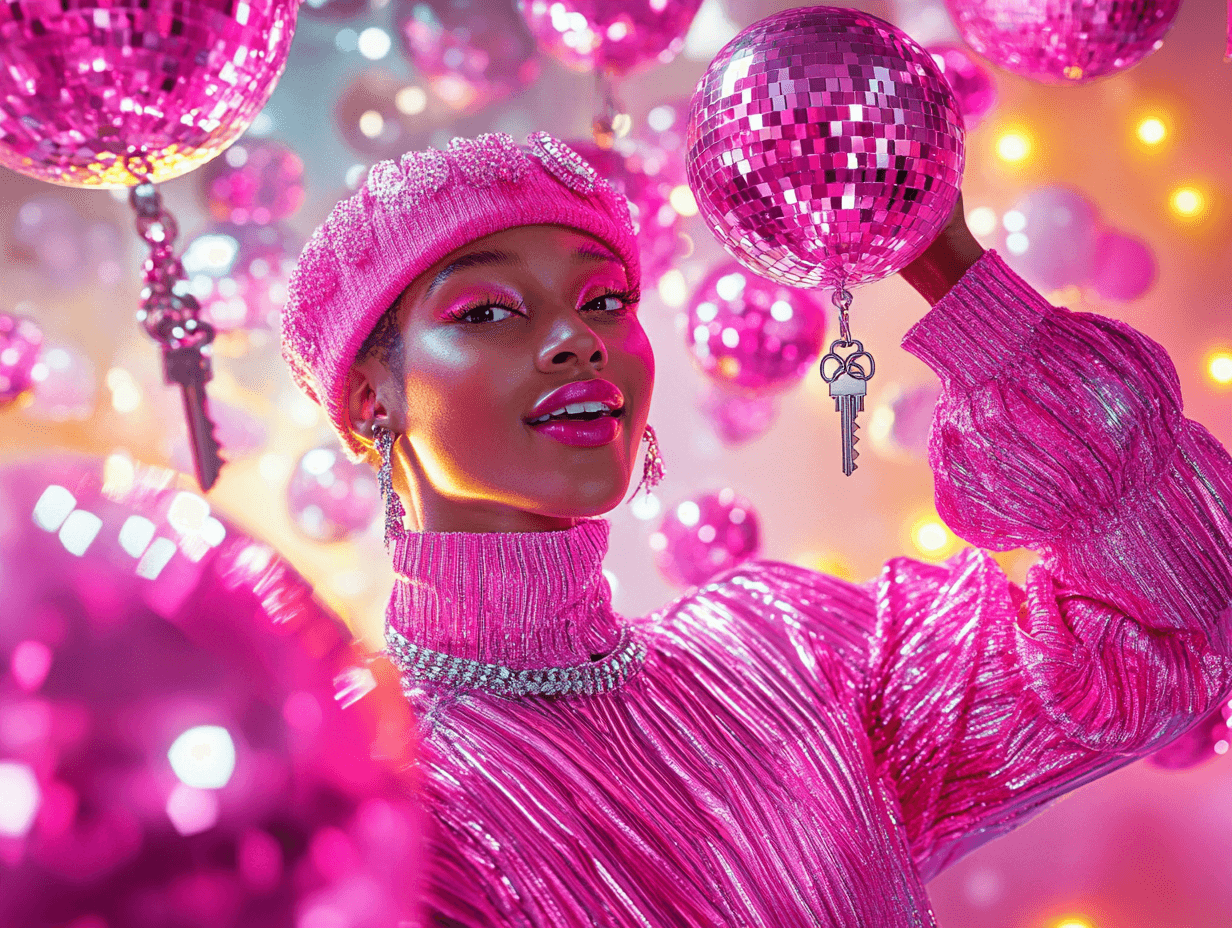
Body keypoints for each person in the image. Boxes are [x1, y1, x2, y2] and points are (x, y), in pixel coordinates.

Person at [280, 132, 1232, 927]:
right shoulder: (372, 803)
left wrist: (946, 264)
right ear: (371, 398)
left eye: (606, 299)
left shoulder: (784, 650)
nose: (580, 339)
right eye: (487, 310)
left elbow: (1169, 618)